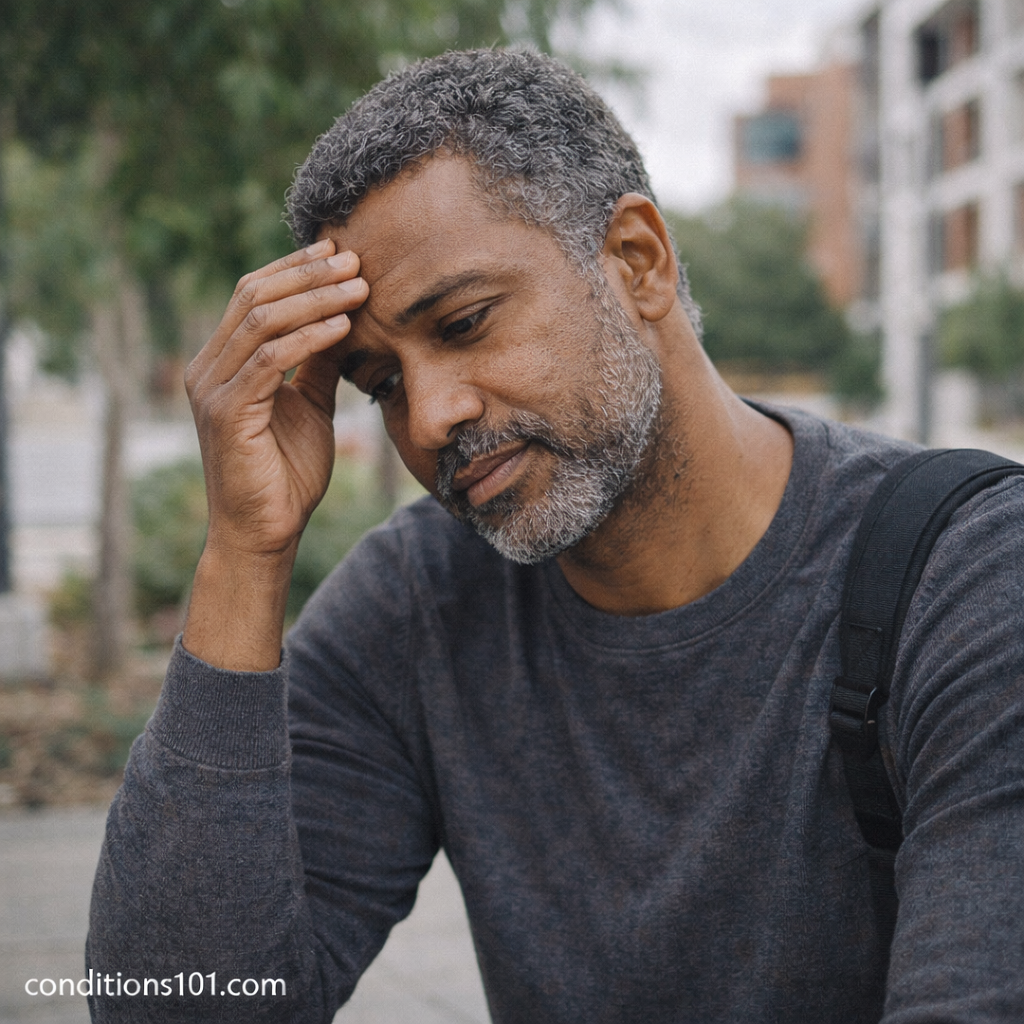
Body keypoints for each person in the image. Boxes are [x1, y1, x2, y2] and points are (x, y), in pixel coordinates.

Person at [87, 49, 1024, 1023]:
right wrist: (245, 553)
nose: (429, 419)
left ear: (636, 261)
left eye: (463, 323)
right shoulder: (418, 606)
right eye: (383, 384)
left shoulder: (970, 581)